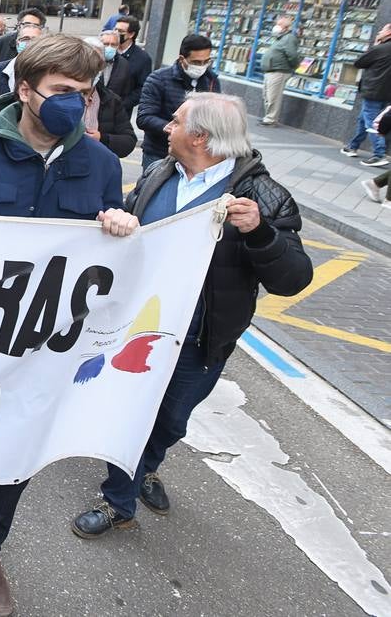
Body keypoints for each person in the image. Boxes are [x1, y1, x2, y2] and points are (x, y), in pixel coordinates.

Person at [0, 33, 138, 617]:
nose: (77, 103)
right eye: (63, 91)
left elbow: (107, 249)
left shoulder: (101, 165)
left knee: (16, 439)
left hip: (45, 340)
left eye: (85, 93)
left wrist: (117, 224)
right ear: (25, 90)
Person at [71, 93, 312, 539]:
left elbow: (293, 279)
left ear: (200, 136)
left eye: (176, 122)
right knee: (132, 414)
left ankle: (146, 465)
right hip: (141, 328)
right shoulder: (159, 173)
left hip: (201, 339)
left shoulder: (264, 196)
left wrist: (260, 233)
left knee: (171, 420)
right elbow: (127, 220)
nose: (166, 127)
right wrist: (116, 218)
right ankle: (119, 501)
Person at [138, 35, 221, 169]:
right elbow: (144, 118)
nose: (202, 67)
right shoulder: (158, 79)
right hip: (160, 153)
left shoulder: (211, 81)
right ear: (182, 59)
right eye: (196, 62)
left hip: (195, 155)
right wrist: (174, 129)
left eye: (206, 62)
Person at [340, 21, 391, 167]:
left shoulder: (381, 48)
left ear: (389, 33)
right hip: (386, 93)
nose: (380, 32)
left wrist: (375, 45)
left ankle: (379, 154)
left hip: (373, 90)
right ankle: (353, 146)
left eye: (382, 29)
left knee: (371, 122)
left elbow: (359, 63)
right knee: (363, 119)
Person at [85, 34, 137, 159]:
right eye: (87, 60)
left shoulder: (111, 100)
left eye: (97, 62)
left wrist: (102, 138)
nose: (92, 67)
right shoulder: (60, 94)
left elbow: (128, 141)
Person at [259, 15, 300, 126]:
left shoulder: (289, 38)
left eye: (279, 24)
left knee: (273, 96)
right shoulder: (280, 38)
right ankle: (268, 117)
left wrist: (293, 67)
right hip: (271, 71)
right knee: (267, 95)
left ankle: (271, 119)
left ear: (286, 27)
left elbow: (292, 55)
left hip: (279, 71)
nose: (276, 26)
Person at [106, 15, 152, 114]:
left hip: (120, 112)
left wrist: (122, 104)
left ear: (131, 34)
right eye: (115, 30)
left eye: (120, 31)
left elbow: (142, 88)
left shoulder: (142, 59)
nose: (116, 33)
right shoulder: (107, 50)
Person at [0, 23, 44, 95]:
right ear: (17, 43)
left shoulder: (48, 73)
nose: (29, 43)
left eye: (35, 40)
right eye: (25, 39)